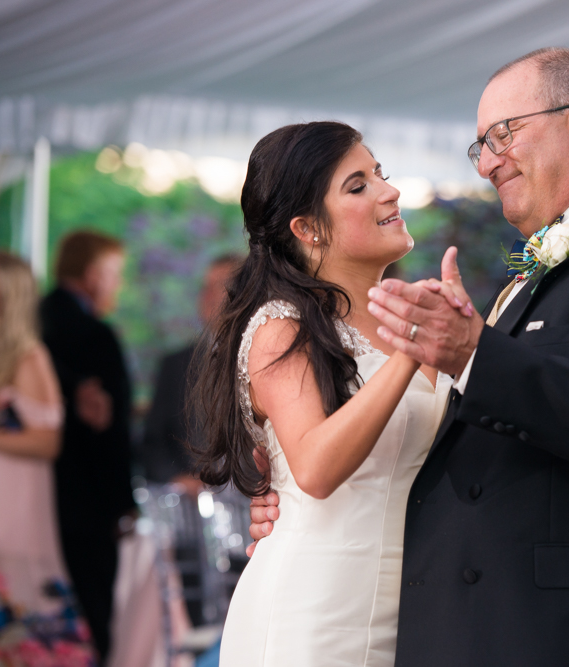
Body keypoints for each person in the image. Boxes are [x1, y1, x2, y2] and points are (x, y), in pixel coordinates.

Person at [251, 47, 569, 666]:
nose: (487, 164)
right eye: (479, 145)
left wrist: (476, 353)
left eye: (502, 135)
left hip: (566, 632)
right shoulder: (524, 277)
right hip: (454, 627)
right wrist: (293, 509)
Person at [191, 121, 454, 665]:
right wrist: (409, 352)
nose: (390, 190)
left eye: (379, 173)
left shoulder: (411, 320)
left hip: (409, 611)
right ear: (308, 227)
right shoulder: (282, 329)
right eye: (358, 185)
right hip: (314, 612)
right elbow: (313, 468)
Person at [0, 251, 96, 662]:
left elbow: (47, 442)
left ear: (8, 293)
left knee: (24, 609)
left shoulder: (29, 357)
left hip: (13, 504)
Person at [40, 231, 135, 661]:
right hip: (86, 509)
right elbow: (110, 436)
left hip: (31, 503)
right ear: (94, 275)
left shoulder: (32, 323)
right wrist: (122, 504)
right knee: (93, 626)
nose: (116, 285)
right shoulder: (94, 336)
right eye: (114, 274)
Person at [142, 253, 243, 492]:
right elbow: (152, 443)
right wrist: (179, 478)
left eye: (220, 286)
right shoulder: (175, 365)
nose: (207, 296)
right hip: (194, 511)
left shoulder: (268, 359)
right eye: (205, 286)